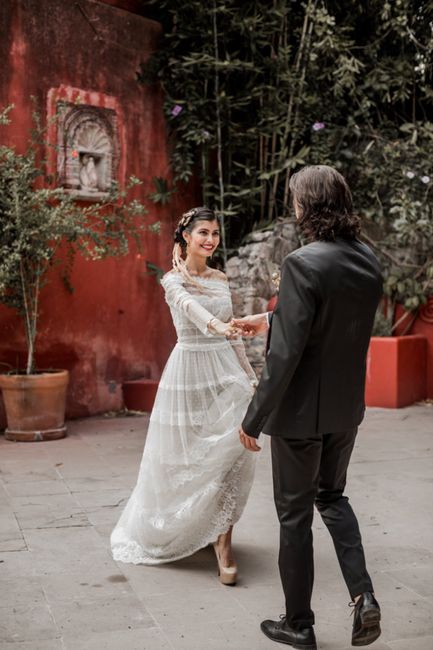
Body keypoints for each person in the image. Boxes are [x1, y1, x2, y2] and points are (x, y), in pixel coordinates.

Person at [233, 165, 383, 649]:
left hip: (299, 417)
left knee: (294, 517)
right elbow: (330, 318)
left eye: (296, 199)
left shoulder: (301, 262)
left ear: (309, 206)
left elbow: (286, 356)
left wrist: (254, 417)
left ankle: (298, 624)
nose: (293, 207)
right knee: (333, 498)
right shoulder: (366, 259)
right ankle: (364, 596)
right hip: (345, 410)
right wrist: (273, 316)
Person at [111, 206, 257, 585]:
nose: (210, 240)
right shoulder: (172, 281)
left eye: (215, 233)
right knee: (186, 458)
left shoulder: (221, 278)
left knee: (229, 455)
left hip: (225, 373)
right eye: (203, 233)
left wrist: (250, 375)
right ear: (186, 238)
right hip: (188, 373)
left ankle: (224, 543)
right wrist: (218, 326)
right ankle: (189, 528)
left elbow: (235, 332)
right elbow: (192, 312)